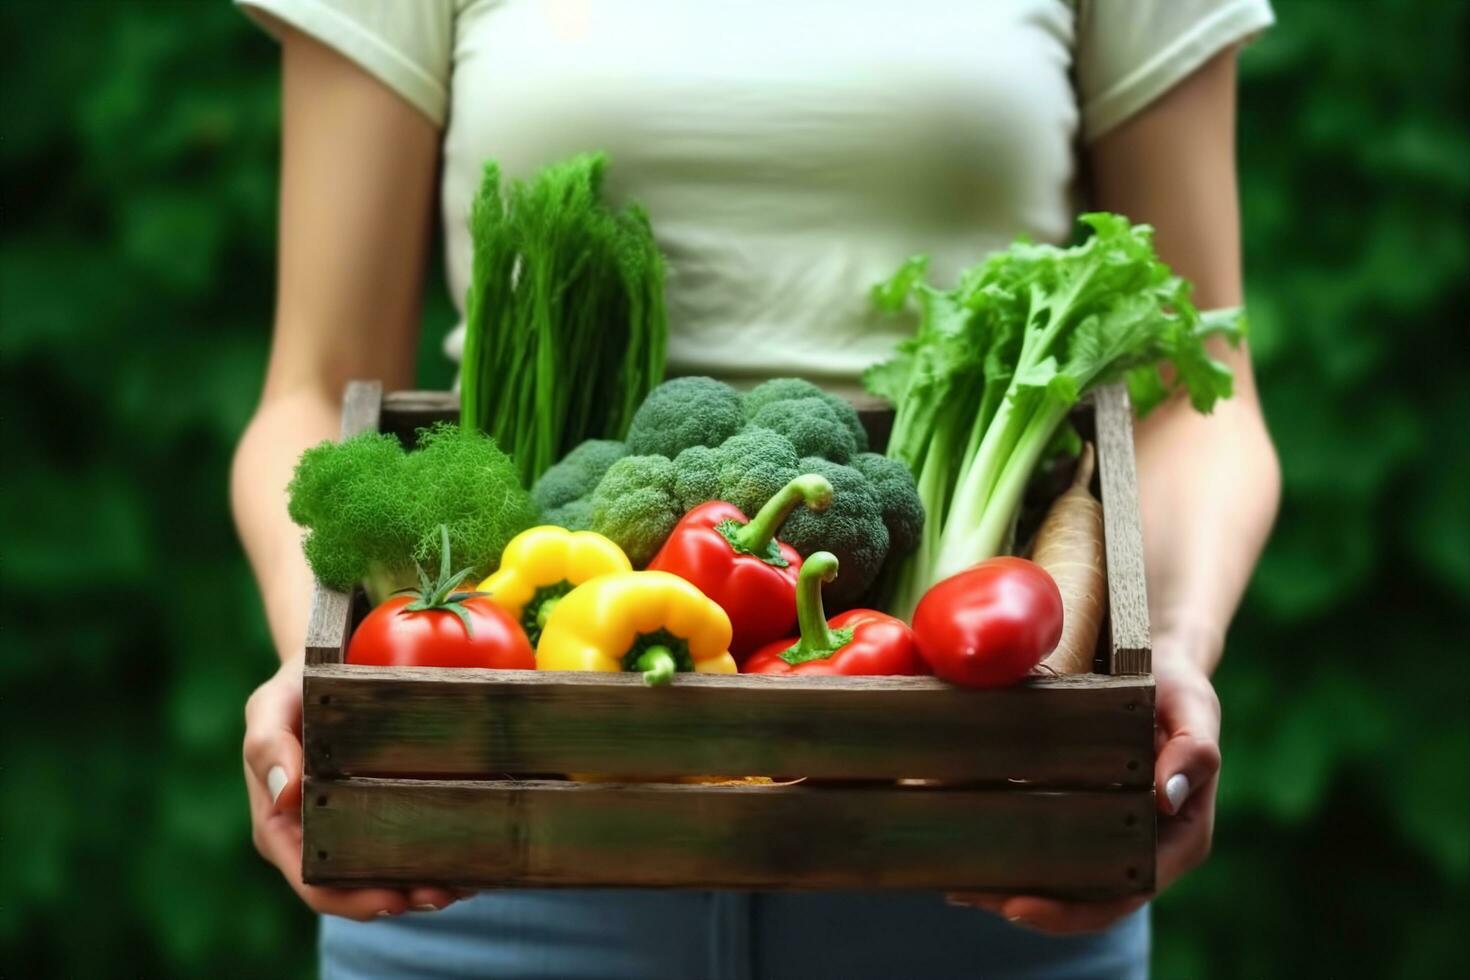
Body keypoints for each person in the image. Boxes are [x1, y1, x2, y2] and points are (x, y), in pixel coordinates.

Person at [232, 2, 1281, 977]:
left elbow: (1203, 393)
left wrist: (1175, 645)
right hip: (488, 864)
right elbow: (314, 390)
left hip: (980, 859)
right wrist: (321, 669)